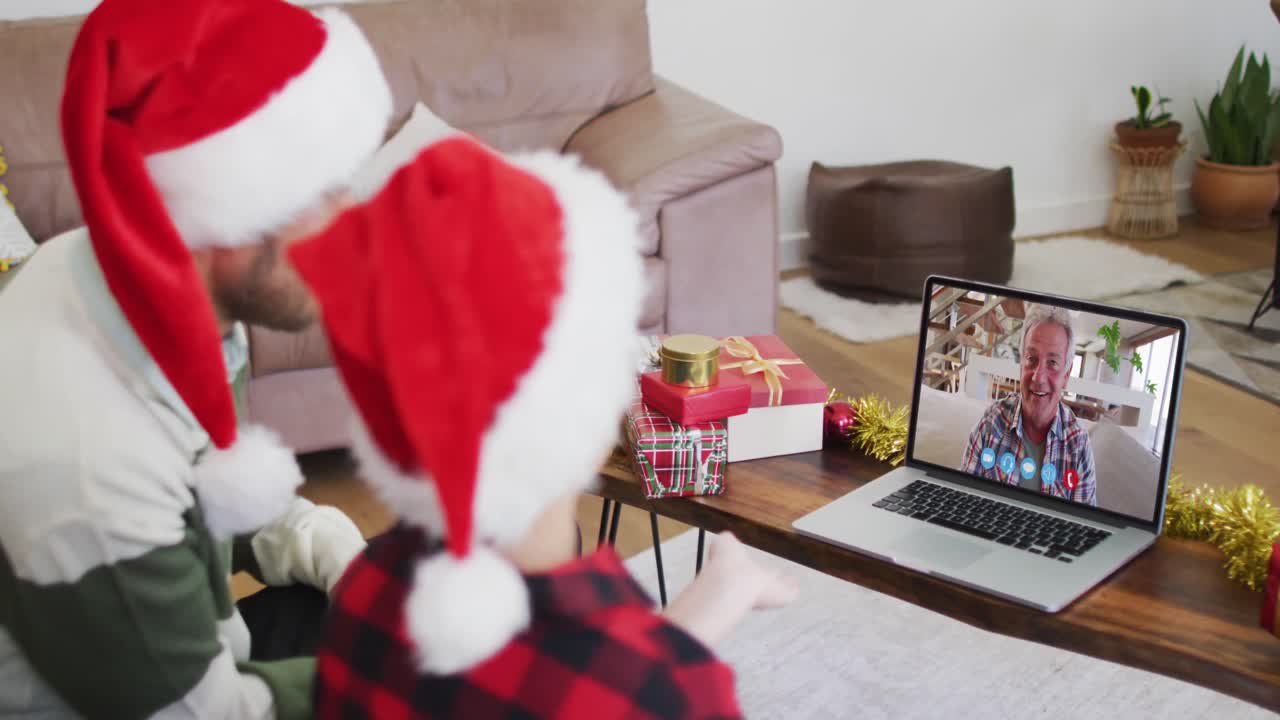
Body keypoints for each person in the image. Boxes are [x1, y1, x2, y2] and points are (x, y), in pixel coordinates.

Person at [291, 134, 798, 719]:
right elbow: (631, 684)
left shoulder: (364, 592)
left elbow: (592, 670)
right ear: (596, 407)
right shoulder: (673, 695)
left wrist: (715, 600)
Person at [0, 0, 393, 717]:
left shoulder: (133, 286)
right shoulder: (90, 467)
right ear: (229, 209)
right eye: (324, 191)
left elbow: (213, 488)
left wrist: (343, 559)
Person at [961, 304, 1097, 505]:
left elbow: (1085, 529)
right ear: (1020, 365)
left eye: (1052, 363)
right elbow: (963, 501)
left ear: (1066, 376)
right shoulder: (991, 423)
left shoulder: (1078, 444)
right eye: (1031, 359)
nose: (1038, 377)